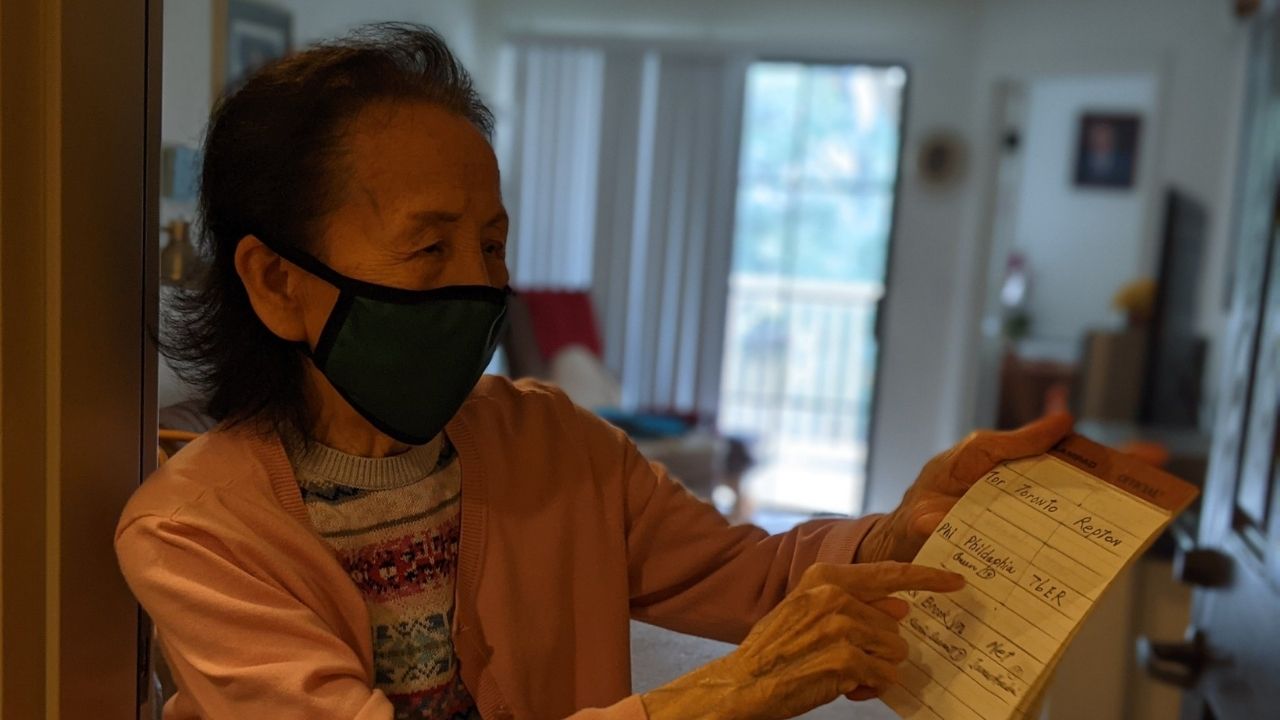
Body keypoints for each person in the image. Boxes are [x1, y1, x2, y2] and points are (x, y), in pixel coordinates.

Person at [116, 24, 1072, 720]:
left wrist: (904, 528)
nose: (479, 287)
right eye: (429, 249)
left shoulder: (556, 442)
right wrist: (727, 694)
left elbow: (757, 577)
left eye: (492, 245)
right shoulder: (196, 533)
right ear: (278, 283)